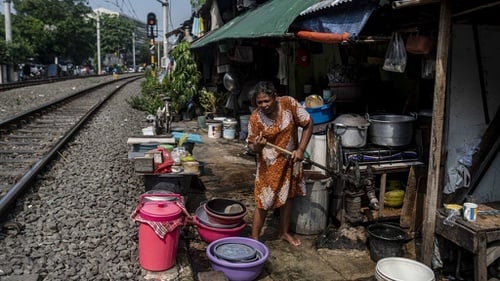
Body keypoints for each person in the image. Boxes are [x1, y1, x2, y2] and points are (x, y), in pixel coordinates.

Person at [246, 81, 313, 247]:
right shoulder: (255, 119)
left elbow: (308, 123)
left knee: (288, 196)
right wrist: (258, 146)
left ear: (275, 97)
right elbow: (252, 146)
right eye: (260, 102)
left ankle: (284, 232)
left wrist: (301, 149)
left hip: (291, 160)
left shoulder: (289, 104)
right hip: (268, 166)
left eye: (267, 101)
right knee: (264, 201)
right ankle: (254, 239)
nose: (264, 105)